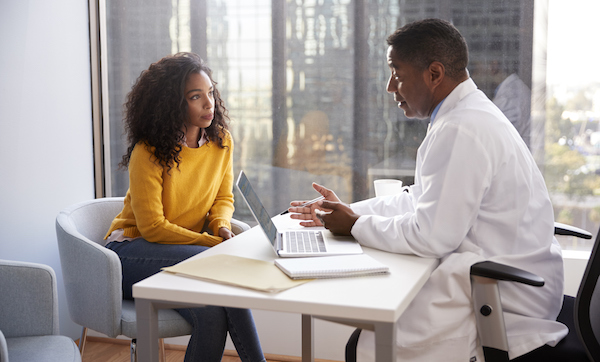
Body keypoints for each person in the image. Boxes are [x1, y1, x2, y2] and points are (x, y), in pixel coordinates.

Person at [289, 19, 567, 362]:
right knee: (372, 328)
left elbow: (432, 236)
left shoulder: (462, 128)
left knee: (369, 343)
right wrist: (350, 210)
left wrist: (355, 225)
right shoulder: (465, 115)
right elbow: (420, 198)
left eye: (397, 73)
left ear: (434, 74)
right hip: (512, 277)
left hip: (503, 297)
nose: (391, 86)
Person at [104, 52, 265, 362]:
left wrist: (220, 226)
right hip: (129, 255)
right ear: (172, 103)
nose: (209, 104)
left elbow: (223, 199)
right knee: (222, 265)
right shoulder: (147, 151)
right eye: (195, 97)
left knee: (212, 314)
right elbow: (152, 227)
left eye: (210, 94)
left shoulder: (221, 143)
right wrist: (212, 244)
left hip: (182, 256)